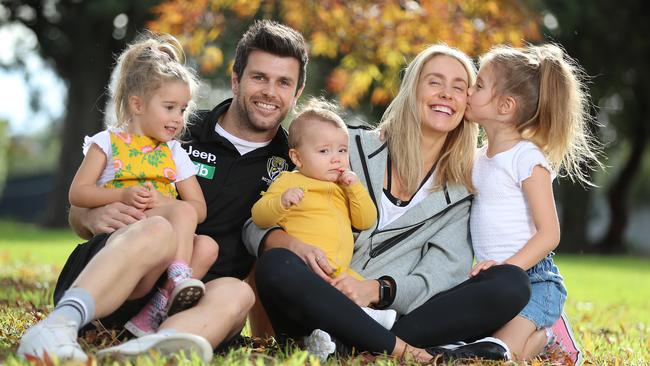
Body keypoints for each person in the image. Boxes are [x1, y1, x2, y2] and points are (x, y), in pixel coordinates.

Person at [17, 19, 308, 363]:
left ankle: (142, 349)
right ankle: (59, 325)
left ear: (297, 92)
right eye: (259, 77)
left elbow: (268, 255)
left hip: (189, 300)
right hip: (120, 274)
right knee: (158, 229)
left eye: (283, 82)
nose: (269, 92)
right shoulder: (176, 125)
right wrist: (92, 214)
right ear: (236, 79)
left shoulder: (292, 166)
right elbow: (85, 200)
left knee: (237, 293)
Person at [244, 44, 531, 362]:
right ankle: (405, 353)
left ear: (467, 102)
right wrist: (289, 244)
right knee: (276, 264)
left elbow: (439, 276)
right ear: (413, 89)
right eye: (434, 82)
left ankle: (351, 346)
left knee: (511, 283)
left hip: (392, 316)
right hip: (317, 301)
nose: (446, 94)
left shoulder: (461, 193)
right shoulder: (343, 146)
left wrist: (377, 290)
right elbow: (254, 224)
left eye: (459, 87)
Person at [67, 33, 209, 338]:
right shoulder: (107, 143)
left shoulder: (174, 152)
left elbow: (199, 208)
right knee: (181, 216)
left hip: (167, 243)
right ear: (137, 104)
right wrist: (122, 194)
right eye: (170, 107)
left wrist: (164, 201)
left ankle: (161, 301)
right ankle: (172, 283)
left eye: (183, 110)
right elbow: (78, 193)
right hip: (127, 240)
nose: (178, 119)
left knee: (206, 244)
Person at [464, 44, 599, 363]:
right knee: (479, 345)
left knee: (499, 352)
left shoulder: (527, 158)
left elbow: (550, 234)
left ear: (506, 106)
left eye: (479, 85)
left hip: (535, 281)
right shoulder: (476, 159)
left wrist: (507, 268)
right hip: (494, 283)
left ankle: (550, 335)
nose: (469, 90)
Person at [250, 98, 396, 359]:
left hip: (338, 270)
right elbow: (259, 216)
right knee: (326, 299)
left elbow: (365, 220)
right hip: (306, 267)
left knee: (354, 287)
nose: (336, 159)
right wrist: (281, 202)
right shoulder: (289, 180)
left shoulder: (344, 186)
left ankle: (325, 340)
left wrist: (355, 188)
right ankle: (361, 322)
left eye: (342, 151)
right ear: (297, 157)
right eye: (324, 152)